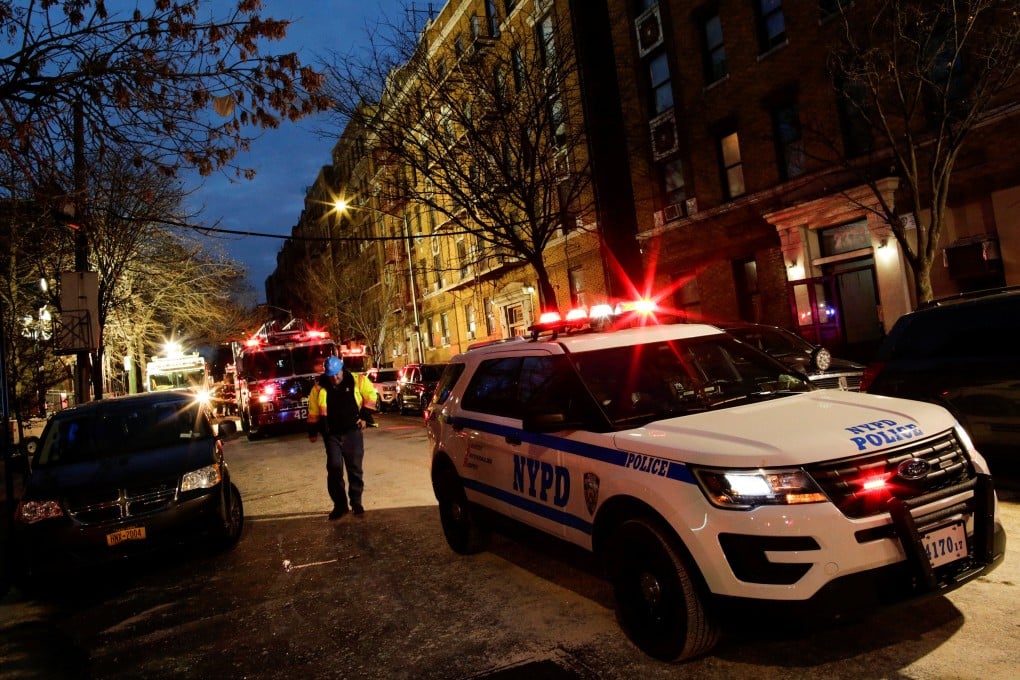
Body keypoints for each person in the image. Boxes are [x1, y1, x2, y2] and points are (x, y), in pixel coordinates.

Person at [308, 355, 379, 520]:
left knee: (354, 469)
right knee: (334, 469)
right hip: (331, 434)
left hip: (352, 432)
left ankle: (356, 502)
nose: (335, 378)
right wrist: (312, 431)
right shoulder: (319, 387)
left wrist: (364, 416)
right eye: (331, 375)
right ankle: (340, 505)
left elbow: (371, 397)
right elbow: (313, 410)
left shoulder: (357, 381)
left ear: (342, 369)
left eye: (337, 374)